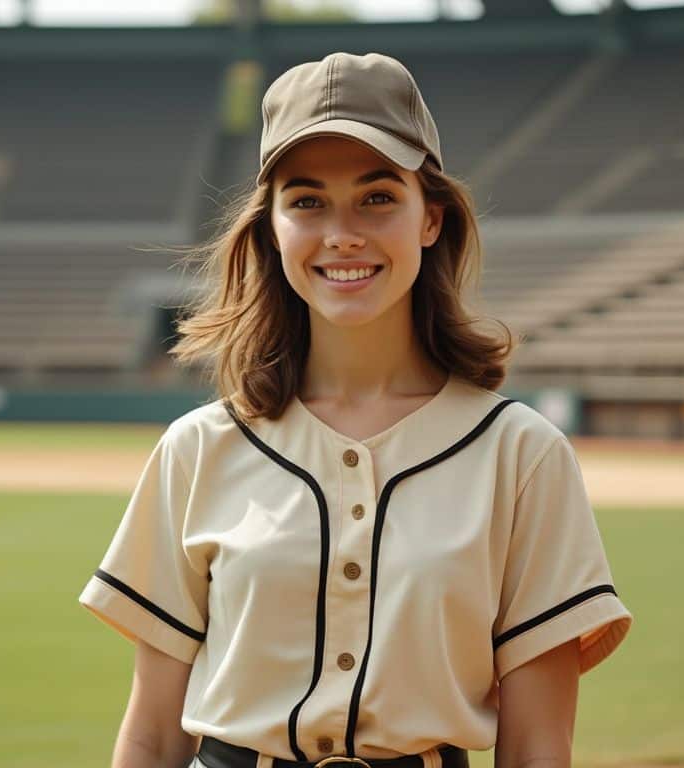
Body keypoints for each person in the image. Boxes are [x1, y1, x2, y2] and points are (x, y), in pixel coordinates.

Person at [79, 51, 633, 768]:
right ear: (272, 227)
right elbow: (154, 735)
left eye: (377, 197)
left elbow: (537, 745)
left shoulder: (521, 456)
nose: (342, 233)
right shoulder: (199, 448)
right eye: (307, 200)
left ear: (430, 218)